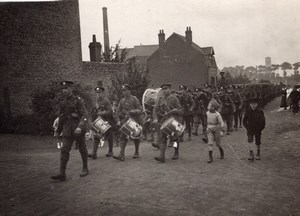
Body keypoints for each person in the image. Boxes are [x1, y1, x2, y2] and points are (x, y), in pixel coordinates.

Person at [51, 81, 89, 181]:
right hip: (67, 130)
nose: (65, 91)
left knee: (82, 148)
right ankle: (62, 173)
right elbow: (61, 118)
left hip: (78, 129)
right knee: (64, 150)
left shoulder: (78, 101)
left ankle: (85, 168)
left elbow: (85, 115)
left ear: (71, 89)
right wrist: (58, 131)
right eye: (63, 89)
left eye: (67, 88)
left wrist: (80, 127)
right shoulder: (63, 102)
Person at [153, 83, 183, 163]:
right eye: (163, 89)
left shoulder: (174, 98)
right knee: (163, 138)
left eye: (166, 89)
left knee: (175, 139)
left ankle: (176, 153)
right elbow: (156, 109)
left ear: (170, 89)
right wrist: (156, 117)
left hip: (173, 121)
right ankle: (162, 156)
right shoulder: (160, 99)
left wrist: (175, 111)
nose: (165, 91)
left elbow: (180, 110)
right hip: (164, 121)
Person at [113, 84, 143, 161]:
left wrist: (134, 111)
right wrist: (118, 120)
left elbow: (140, 109)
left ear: (129, 91)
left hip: (134, 121)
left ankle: (136, 152)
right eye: (123, 91)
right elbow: (117, 111)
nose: (124, 92)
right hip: (125, 122)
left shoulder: (134, 99)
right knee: (123, 137)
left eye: (126, 90)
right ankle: (121, 154)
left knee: (136, 137)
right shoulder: (122, 101)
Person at [88, 82, 116, 159]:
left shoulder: (106, 101)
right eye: (97, 93)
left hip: (107, 121)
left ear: (103, 93)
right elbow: (91, 112)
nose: (98, 94)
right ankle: (94, 153)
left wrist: (103, 113)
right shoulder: (94, 102)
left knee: (109, 137)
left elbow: (110, 111)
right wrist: (91, 120)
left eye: (99, 92)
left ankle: (110, 151)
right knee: (96, 137)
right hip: (98, 122)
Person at [206, 99, 225, 163]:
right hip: (209, 129)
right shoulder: (207, 113)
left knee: (218, 144)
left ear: (213, 107)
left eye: (209, 106)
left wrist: (222, 130)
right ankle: (210, 157)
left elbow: (221, 123)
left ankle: (221, 151)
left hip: (217, 129)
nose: (207, 107)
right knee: (210, 143)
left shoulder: (217, 115)